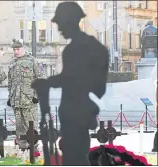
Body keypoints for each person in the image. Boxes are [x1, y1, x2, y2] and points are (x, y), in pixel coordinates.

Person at [31, 2, 109, 165]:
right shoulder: (86, 46)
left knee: (75, 158)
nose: (59, 29)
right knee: (75, 155)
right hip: (76, 113)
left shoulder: (78, 48)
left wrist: (47, 83)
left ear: (69, 21)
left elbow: (73, 78)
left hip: (76, 113)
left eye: (60, 23)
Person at [7, 39, 41, 152]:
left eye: (18, 49)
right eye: (14, 49)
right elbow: (10, 81)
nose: (16, 51)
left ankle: (34, 148)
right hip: (16, 100)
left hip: (29, 99)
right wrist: (9, 96)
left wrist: (37, 95)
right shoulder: (12, 62)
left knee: (31, 125)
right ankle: (22, 148)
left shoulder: (32, 61)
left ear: (23, 48)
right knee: (19, 126)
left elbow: (40, 78)